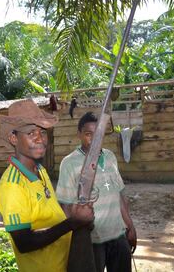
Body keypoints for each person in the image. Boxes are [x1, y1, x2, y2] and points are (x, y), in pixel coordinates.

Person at [0, 99, 94, 272]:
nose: (40, 139)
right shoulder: (13, 186)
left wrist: (74, 213)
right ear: (13, 138)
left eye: (42, 131)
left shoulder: (39, 170)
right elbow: (24, 243)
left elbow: (50, 213)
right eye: (31, 133)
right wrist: (72, 223)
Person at [56, 111, 137, 272]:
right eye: (88, 134)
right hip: (92, 239)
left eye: (98, 134)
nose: (94, 139)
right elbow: (65, 206)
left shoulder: (110, 157)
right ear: (79, 134)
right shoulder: (69, 163)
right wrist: (77, 238)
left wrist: (130, 226)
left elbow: (119, 195)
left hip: (118, 234)